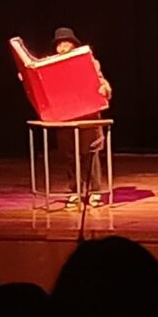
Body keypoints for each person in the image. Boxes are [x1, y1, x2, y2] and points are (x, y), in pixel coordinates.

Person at [51, 27, 112, 208]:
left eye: (66, 43)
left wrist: (104, 89)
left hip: (87, 115)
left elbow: (101, 81)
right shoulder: (52, 65)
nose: (62, 47)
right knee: (70, 155)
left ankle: (95, 191)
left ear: (74, 44)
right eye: (59, 44)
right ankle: (74, 191)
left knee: (90, 154)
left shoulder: (89, 62)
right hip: (64, 117)